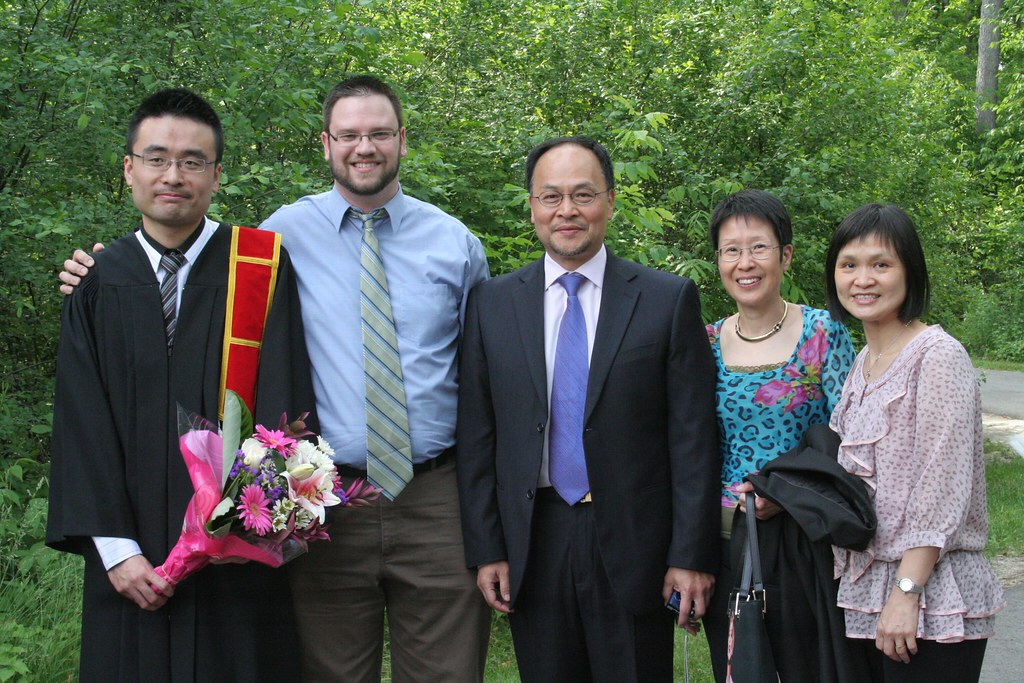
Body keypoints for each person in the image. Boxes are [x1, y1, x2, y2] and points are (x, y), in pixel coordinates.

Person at [58, 76, 492, 682]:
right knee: (331, 670)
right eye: (348, 134)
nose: (363, 146)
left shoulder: (451, 244)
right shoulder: (271, 240)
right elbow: (87, 414)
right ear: (325, 143)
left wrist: (252, 511)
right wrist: (92, 273)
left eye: (378, 133)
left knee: (446, 671)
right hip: (323, 504)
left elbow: (483, 375)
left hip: (425, 497)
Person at [46, 88, 313, 682]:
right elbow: (81, 424)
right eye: (157, 158)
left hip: (236, 558)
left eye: (193, 161)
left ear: (216, 175)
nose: (174, 175)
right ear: (129, 169)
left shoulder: (260, 267)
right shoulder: (96, 282)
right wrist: (116, 553)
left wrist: (240, 527)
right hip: (129, 557)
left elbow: (284, 404)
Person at [456, 136, 720, 682]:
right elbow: (478, 434)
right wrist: (487, 548)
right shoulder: (492, 304)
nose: (567, 211)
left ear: (610, 200)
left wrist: (690, 554)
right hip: (535, 537)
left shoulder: (665, 300)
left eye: (583, 194)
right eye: (550, 196)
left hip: (634, 542)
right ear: (531, 205)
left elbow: (692, 437)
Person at [824, 203, 1006, 682]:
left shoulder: (938, 356)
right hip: (870, 588)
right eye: (849, 265)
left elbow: (942, 487)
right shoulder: (863, 361)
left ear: (910, 273)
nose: (863, 279)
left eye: (881, 264)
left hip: (930, 593)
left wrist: (906, 591)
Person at [700, 190, 859, 682]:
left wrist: (788, 495)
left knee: (802, 670)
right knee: (737, 669)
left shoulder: (823, 333)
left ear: (785, 255)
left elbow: (852, 441)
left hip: (801, 544)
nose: (744, 263)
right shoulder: (702, 341)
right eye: (731, 250)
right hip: (724, 545)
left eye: (759, 248)